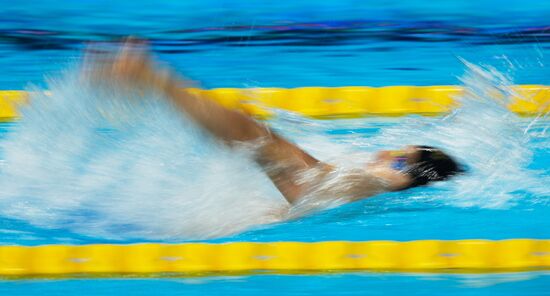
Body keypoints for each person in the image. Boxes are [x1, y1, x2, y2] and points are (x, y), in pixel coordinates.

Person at [84, 40, 462, 206]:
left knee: (249, 133)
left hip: (318, 188)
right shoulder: (389, 179)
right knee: (247, 133)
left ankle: (150, 76)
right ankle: (150, 78)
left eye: (399, 159)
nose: (385, 153)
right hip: (317, 192)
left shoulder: (394, 183)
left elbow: (397, 181)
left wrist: (387, 172)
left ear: (411, 176)